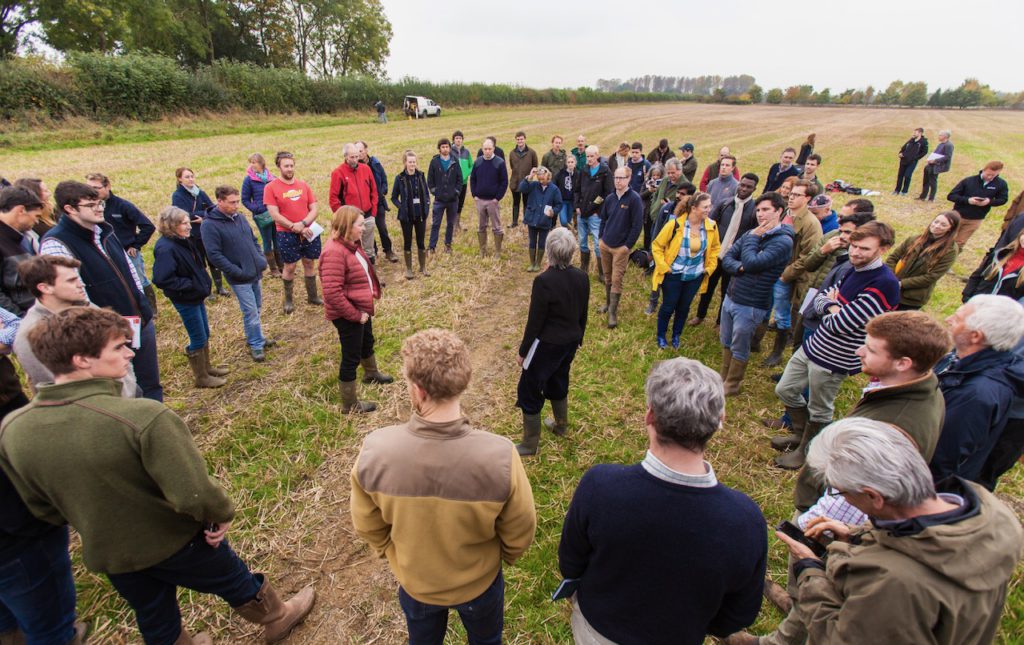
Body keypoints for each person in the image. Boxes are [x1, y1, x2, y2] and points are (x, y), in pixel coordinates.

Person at [0, 307, 316, 645]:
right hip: (174, 538)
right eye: (118, 347)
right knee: (234, 580)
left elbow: (40, 506)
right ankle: (277, 616)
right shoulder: (142, 417)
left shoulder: (14, 429)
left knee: (153, 614)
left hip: (111, 554)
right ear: (81, 360)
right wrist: (219, 514)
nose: (130, 352)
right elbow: (192, 492)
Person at [752, 417, 1024, 645]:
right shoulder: (987, 512)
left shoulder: (894, 583)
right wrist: (858, 535)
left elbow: (838, 638)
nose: (841, 498)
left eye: (839, 490)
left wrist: (809, 572)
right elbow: (922, 542)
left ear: (874, 496)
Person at [559, 358, 766, 645]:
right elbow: (737, 615)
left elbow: (570, 563)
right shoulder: (746, 520)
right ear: (720, 422)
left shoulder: (601, 485)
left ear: (649, 416)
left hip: (597, 630)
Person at [350, 328, 537, 645]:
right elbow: (521, 528)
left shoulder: (376, 451)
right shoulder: (500, 456)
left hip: (417, 582)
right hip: (480, 583)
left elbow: (367, 525)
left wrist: (396, 554)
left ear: (418, 391)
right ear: (464, 383)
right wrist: (496, 559)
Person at [773, 221, 899, 469]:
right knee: (785, 389)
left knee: (820, 409)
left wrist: (831, 309)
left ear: (883, 249)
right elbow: (820, 298)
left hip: (835, 358)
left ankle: (809, 451)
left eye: (864, 248)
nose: (855, 252)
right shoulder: (852, 268)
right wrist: (832, 306)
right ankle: (800, 434)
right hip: (813, 346)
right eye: (853, 246)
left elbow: (840, 324)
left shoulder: (884, 283)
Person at [41, 181, 162, 401]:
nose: (99, 209)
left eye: (100, 204)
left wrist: (142, 303)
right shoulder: (57, 243)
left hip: (138, 321)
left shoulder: (105, 232)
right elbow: (75, 298)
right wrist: (105, 329)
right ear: (70, 208)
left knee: (150, 383)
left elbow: (129, 271)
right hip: (106, 334)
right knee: (123, 389)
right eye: (91, 205)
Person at [14, 254, 138, 397]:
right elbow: (56, 387)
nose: (81, 284)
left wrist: (129, 391)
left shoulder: (88, 308)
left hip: (126, 394)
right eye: (71, 281)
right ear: (45, 288)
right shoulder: (30, 334)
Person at [930, 295, 1024, 483]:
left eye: (956, 319)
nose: (947, 320)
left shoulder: (977, 394)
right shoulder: (958, 359)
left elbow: (940, 460)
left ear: (976, 335)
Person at [515, 228, 588, 455]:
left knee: (529, 388)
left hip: (547, 344)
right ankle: (561, 426)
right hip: (571, 341)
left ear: (549, 252)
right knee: (558, 378)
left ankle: (529, 444)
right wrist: (580, 337)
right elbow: (582, 312)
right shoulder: (582, 276)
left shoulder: (543, 281)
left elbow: (535, 321)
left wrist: (523, 351)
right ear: (572, 252)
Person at [319, 205, 392, 413]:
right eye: (360, 225)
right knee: (350, 356)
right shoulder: (334, 252)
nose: (363, 228)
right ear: (347, 226)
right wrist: (355, 315)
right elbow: (332, 293)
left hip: (361, 307)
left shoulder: (351, 243)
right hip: (348, 313)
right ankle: (349, 405)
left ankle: (371, 373)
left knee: (367, 341)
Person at [720, 192, 794, 395]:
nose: (760, 214)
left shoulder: (782, 241)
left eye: (766, 210)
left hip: (751, 303)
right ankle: (723, 377)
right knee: (726, 339)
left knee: (740, 343)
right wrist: (741, 267)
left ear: (779, 211)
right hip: (732, 295)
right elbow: (727, 258)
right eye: (759, 210)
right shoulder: (752, 233)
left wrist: (753, 240)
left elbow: (752, 262)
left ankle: (732, 383)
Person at [201, 187, 275, 364]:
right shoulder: (209, 225)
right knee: (250, 311)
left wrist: (260, 259)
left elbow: (253, 240)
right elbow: (214, 255)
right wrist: (236, 271)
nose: (236, 206)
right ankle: (256, 344)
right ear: (220, 201)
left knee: (256, 308)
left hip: (254, 271)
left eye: (237, 202)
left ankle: (256, 336)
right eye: (232, 202)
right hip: (240, 277)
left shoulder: (240, 217)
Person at [152, 206, 224, 385]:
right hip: (186, 299)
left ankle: (207, 368)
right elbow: (161, 279)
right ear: (171, 225)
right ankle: (201, 377)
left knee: (204, 332)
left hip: (195, 296)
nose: (189, 226)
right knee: (198, 336)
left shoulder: (183, 240)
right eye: (184, 223)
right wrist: (190, 286)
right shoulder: (166, 248)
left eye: (187, 222)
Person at [764, 179, 822, 367]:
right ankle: (755, 340)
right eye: (791, 193)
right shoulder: (782, 214)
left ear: (808, 198)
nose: (791, 197)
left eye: (797, 195)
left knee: (782, 313)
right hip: (770, 269)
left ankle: (777, 351)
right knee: (764, 306)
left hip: (787, 276)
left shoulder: (810, 223)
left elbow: (808, 257)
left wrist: (785, 275)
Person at [651, 193, 720, 349]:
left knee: (684, 307)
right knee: (668, 306)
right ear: (694, 208)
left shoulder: (711, 226)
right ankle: (661, 335)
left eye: (710, 206)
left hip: (695, 276)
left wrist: (709, 268)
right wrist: (664, 267)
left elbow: (715, 247)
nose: (709, 209)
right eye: (705, 207)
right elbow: (657, 246)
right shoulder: (675, 225)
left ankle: (676, 335)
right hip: (673, 275)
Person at [691, 173, 759, 327]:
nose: (743, 189)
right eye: (742, 185)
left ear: (754, 189)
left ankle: (720, 322)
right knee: (707, 287)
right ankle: (700, 315)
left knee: (727, 291)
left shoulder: (754, 211)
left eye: (748, 187)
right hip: (716, 255)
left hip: (734, 259)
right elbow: (710, 226)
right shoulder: (724, 204)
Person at [87, 173, 158, 312]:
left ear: (108, 186)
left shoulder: (123, 206)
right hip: (105, 254)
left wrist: (135, 245)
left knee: (140, 280)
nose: (92, 192)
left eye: (96, 188)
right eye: (89, 188)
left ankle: (151, 309)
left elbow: (148, 226)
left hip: (127, 252)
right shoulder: (89, 209)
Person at [264, 151, 322, 314]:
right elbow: (274, 214)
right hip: (286, 233)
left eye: (291, 165)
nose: (289, 169)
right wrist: (293, 226)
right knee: (289, 267)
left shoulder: (303, 185)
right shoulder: (271, 188)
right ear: (279, 167)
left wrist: (303, 224)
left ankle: (313, 296)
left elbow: (314, 208)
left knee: (309, 263)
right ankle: (288, 300)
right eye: (286, 166)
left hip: (308, 230)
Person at [885, 211, 961, 310]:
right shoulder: (914, 239)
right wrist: (892, 278)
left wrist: (902, 284)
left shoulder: (950, 251)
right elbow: (893, 258)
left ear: (950, 229)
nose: (937, 226)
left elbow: (932, 276)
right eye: (936, 222)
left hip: (911, 298)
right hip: (891, 288)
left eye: (943, 225)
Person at [598, 167, 644, 328]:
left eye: (622, 178)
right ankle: (608, 304)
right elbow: (603, 219)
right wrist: (600, 239)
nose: (618, 180)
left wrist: (627, 247)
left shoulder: (634, 199)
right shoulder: (610, 198)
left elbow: (637, 226)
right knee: (608, 276)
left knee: (617, 279)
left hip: (621, 249)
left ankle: (613, 313)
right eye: (616, 177)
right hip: (606, 244)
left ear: (629, 178)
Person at [171, 167, 227, 299]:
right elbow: (183, 214)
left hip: (206, 232)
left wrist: (203, 217)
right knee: (199, 262)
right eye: (187, 177)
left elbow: (212, 207)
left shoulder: (200, 192)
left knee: (213, 259)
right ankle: (207, 290)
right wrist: (204, 215)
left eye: (192, 176)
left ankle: (220, 287)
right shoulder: (177, 195)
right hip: (192, 235)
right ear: (180, 179)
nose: (191, 179)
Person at [328, 143, 378, 261]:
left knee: (369, 249)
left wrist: (373, 211)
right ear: (345, 156)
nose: (355, 160)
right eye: (352, 157)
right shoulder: (338, 173)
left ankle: (370, 272)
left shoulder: (366, 169)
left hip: (368, 214)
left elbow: (374, 191)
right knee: (352, 247)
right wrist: (344, 217)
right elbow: (333, 199)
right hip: (351, 219)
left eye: (357, 156)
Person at [947, 160, 1010, 248]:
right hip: (957, 215)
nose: (990, 177)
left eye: (993, 175)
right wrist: (968, 200)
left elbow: (1003, 200)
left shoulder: (1001, 184)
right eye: (988, 174)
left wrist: (989, 202)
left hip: (975, 219)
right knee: (946, 239)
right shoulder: (968, 181)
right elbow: (951, 196)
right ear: (984, 170)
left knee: (959, 244)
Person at [0, 186, 42, 316]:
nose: (36, 221)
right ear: (21, 210)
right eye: (36, 215)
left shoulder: (17, 238)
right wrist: (20, 319)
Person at [391, 150, 431, 280]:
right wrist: (401, 207)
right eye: (410, 162)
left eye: (414, 162)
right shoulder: (400, 178)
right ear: (405, 163)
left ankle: (423, 267)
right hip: (406, 217)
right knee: (407, 242)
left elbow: (426, 193)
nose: (412, 164)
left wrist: (426, 206)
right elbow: (393, 197)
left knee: (421, 241)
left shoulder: (420, 176)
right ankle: (409, 269)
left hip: (420, 215)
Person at [575, 145, 613, 283]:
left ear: (597, 155)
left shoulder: (605, 172)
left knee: (598, 244)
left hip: (595, 215)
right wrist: (577, 206)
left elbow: (607, 194)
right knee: (582, 241)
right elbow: (577, 190)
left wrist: (598, 210)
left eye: (591, 156)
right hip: (581, 213)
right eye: (587, 156)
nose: (589, 159)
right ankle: (583, 268)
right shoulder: (583, 170)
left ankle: (602, 273)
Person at [241, 153, 281, 278]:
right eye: (251, 162)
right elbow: (245, 199)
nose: (252, 165)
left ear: (261, 163)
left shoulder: (272, 178)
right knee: (267, 240)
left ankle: (282, 266)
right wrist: (257, 209)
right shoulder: (249, 180)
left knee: (278, 240)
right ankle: (273, 269)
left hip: (275, 214)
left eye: (254, 162)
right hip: (262, 216)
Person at [358, 141, 398, 263]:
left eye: (361, 150)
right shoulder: (356, 168)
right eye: (357, 151)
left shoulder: (375, 163)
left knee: (382, 227)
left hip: (379, 201)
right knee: (368, 230)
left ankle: (388, 251)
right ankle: (373, 252)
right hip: (365, 204)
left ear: (366, 150)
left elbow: (384, 178)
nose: (359, 153)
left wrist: (383, 190)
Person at [470, 137, 509, 257]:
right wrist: (474, 194)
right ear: (482, 149)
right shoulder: (478, 162)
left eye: (489, 149)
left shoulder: (500, 163)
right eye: (485, 149)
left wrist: (497, 198)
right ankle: (483, 250)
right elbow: (473, 179)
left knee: (496, 227)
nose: (487, 151)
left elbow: (504, 182)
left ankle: (497, 251)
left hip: (493, 201)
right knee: (481, 226)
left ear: (493, 149)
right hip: (480, 200)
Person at [519, 166, 562, 272]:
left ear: (548, 177)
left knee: (542, 242)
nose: (541, 181)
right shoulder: (533, 185)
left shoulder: (554, 189)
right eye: (539, 179)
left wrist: (553, 212)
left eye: (543, 179)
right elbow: (522, 189)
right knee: (532, 241)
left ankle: (538, 263)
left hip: (544, 220)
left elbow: (559, 204)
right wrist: (530, 176)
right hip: (532, 218)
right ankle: (532, 263)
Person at [426, 137, 461, 255]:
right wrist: (435, 191)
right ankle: (432, 247)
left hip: (452, 200)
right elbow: (430, 180)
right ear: (439, 149)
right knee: (436, 224)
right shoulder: (434, 162)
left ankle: (448, 244)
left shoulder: (455, 161)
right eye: (443, 147)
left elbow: (459, 179)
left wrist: (456, 191)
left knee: (450, 223)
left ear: (450, 148)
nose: (445, 149)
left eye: (447, 147)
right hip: (439, 200)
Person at [508, 131, 538, 228]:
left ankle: (526, 221)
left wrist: (530, 177)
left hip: (527, 182)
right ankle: (514, 222)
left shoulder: (532, 152)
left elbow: (535, 166)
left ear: (525, 139)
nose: (520, 141)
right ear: (516, 140)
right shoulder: (512, 153)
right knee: (515, 203)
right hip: (515, 182)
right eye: (518, 139)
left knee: (527, 203)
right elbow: (512, 166)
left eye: (521, 139)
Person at [919, 129, 954, 201]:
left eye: (940, 135)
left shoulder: (949, 145)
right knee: (926, 181)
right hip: (931, 164)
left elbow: (948, 157)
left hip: (937, 166)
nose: (939, 136)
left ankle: (931, 198)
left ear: (945, 136)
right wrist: (930, 159)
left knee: (933, 182)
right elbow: (935, 154)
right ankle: (923, 196)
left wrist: (935, 160)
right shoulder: (940, 144)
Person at [894, 127, 929, 195]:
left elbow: (924, 152)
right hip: (903, 160)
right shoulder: (911, 140)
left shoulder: (923, 142)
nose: (914, 134)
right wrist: (900, 153)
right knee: (900, 175)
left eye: (915, 132)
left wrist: (916, 158)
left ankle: (904, 191)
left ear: (920, 133)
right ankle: (897, 190)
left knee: (907, 176)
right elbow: (903, 148)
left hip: (912, 162)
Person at [639, 163, 665, 250]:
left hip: (658, 211)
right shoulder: (646, 183)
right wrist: (649, 191)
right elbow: (641, 196)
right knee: (647, 233)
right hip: (647, 211)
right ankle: (646, 250)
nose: (656, 177)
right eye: (654, 175)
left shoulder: (664, 183)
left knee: (656, 232)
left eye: (658, 175)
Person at [452, 131, 473, 230]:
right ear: (453, 140)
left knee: (460, 203)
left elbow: (471, 166)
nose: (458, 140)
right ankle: (452, 224)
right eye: (456, 138)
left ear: (462, 140)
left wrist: (465, 174)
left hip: (463, 182)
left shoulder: (466, 152)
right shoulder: (450, 151)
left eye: (460, 138)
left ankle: (457, 223)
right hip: (454, 183)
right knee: (453, 202)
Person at [553, 154, 579, 228]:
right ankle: (568, 229)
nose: (570, 164)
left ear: (575, 163)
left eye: (572, 162)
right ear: (566, 163)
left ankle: (567, 234)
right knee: (564, 221)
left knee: (568, 220)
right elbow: (555, 184)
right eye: (568, 162)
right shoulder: (561, 173)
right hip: (562, 201)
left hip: (572, 201)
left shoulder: (578, 174)